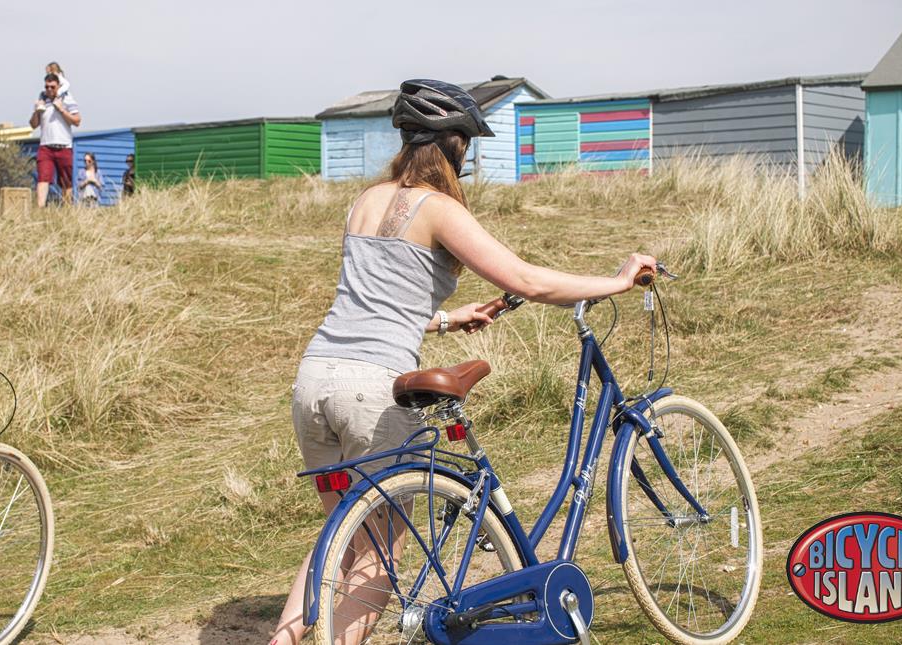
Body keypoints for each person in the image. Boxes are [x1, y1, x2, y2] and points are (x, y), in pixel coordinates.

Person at [269, 79, 657, 645]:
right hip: (369, 393)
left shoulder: (364, 201)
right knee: (382, 555)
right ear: (455, 147)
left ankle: (281, 639)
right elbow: (525, 279)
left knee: (344, 534)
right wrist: (618, 281)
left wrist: (450, 319)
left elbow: (373, 304)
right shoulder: (440, 208)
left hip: (315, 381)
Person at [29, 73, 81, 207]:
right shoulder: (42, 101)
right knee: (43, 178)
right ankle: (40, 208)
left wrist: (62, 110)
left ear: (58, 86)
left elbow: (77, 121)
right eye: (47, 87)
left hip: (64, 146)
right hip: (46, 146)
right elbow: (33, 124)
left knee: (66, 181)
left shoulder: (67, 99)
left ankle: (67, 209)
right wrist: (37, 112)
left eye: (52, 87)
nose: (49, 90)